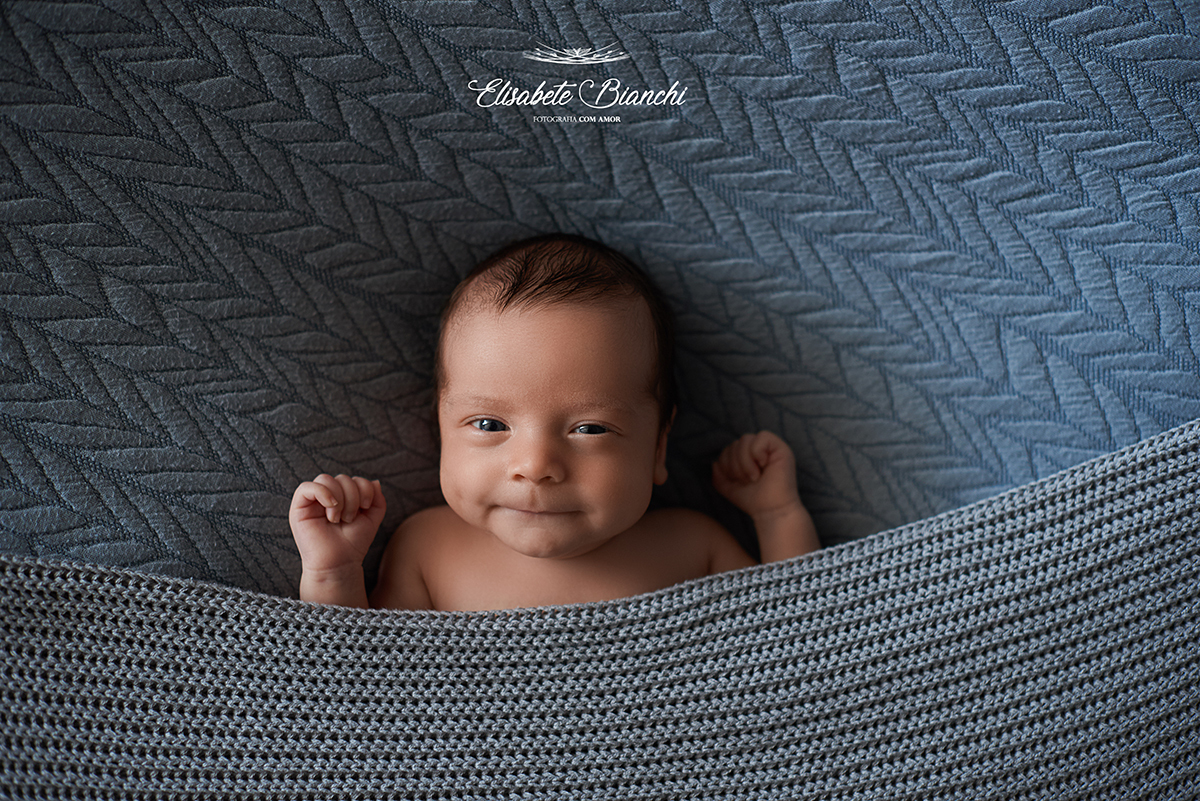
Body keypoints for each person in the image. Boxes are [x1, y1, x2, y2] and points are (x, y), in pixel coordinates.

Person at [289, 234, 819, 610]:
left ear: (658, 447)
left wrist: (778, 517)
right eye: (490, 425)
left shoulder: (689, 545)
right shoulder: (429, 548)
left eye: (589, 429)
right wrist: (334, 572)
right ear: (440, 429)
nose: (535, 466)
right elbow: (358, 685)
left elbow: (798, 639)